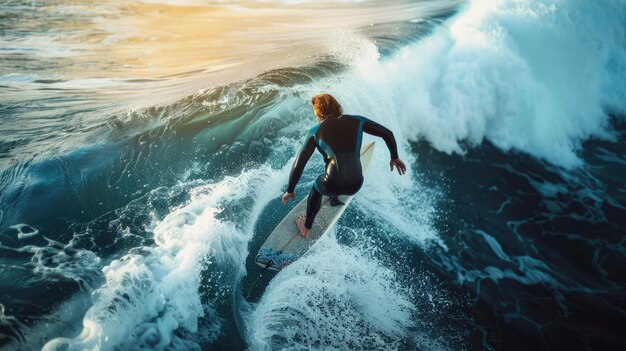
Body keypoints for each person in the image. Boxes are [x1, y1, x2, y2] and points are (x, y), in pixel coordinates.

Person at [281, 93, 407, 238]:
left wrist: (290, 190)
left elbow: (299, 163)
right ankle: (334, 198)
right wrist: (394, 157)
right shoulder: (357, 120)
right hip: (356, 183)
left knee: (318, 184)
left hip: (331, 185)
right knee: (336, 167)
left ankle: (306, 226)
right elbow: (388, 134)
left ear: (319, 111)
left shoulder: (314, 132)